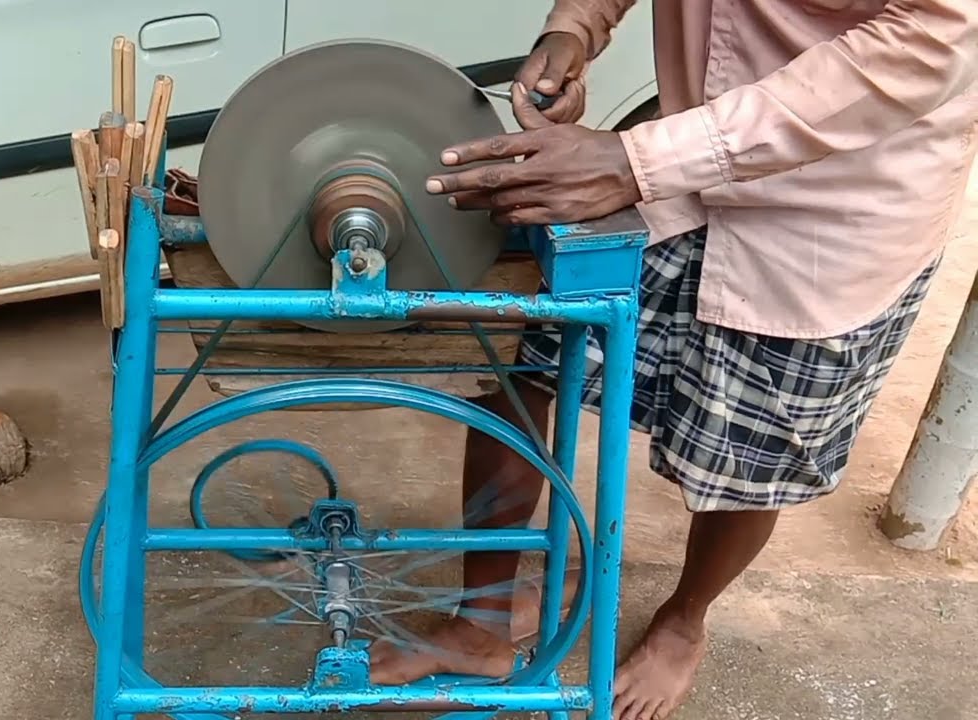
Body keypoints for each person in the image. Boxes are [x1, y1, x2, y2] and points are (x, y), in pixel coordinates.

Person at [367, 2, 978, 719]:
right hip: (678, 161)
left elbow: (933, 36)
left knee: (750, 460)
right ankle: (482, 624)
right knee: (521, 367)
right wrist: (576, 26)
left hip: (838, 196)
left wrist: (639, 159)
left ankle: (686, 619)